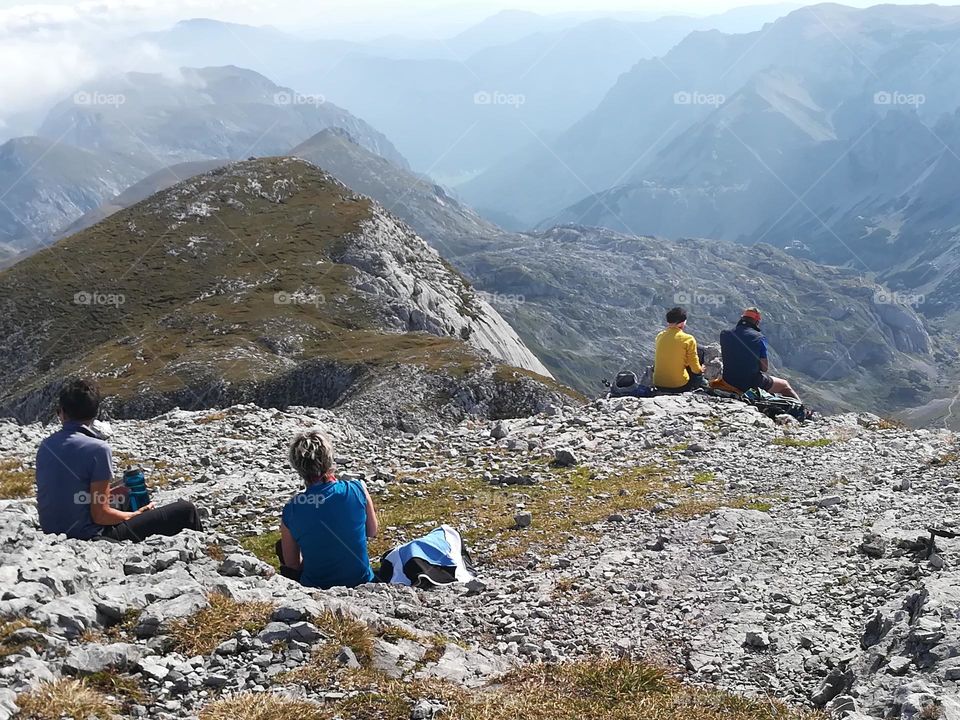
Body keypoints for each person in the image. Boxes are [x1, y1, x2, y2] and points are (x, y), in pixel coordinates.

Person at [35, 377, 203, 541]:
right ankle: (199, 556)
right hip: (90, 536)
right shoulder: (98, 449)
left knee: (125, 492)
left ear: (62, 413)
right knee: (186, 510)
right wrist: (134, 515)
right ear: (96, 413)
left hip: (52, 532)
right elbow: (100, 515)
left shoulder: (46, 445)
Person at [278, 429, 379, 589]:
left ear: (298, 466)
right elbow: (372, 532)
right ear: (329, 459)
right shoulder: (357, 488)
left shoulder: (292, 509)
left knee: (281, 546)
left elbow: (292, 566)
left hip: (316, 588)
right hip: (362, 581)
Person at [719, 308, 800, 400]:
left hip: (728, 379)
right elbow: (764, 368)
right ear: (757, 322)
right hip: (749, 383)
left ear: (742, 318)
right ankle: (803, 411)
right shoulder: (759, 338)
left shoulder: (725, 334)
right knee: (784, 385)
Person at [653, 306, 706, 392]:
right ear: (682, 323)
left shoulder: (660, 336)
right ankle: (699, 385)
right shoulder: (688, 339)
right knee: (700, 352)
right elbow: (695, 368)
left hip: (658, 383)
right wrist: (701, 370)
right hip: (679, 386)